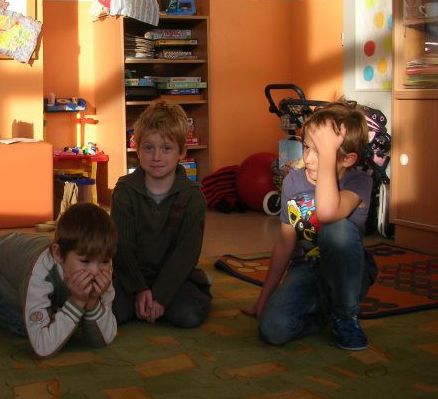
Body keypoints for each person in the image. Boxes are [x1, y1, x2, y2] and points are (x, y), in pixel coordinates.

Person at [243, 100, 377, 351]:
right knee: (272, 330)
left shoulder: (359, 183)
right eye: (307, 147)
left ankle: (345, 316)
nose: (308, 159)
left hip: (348, 276)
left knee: (337, 228)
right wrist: (264, 297)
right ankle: (325, 314)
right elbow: (285, 244)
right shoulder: (293, 182)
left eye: (321, 152)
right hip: (306, 269)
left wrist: (328, 153)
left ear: (348, 159)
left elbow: (327, 212)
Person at [110, 99, 211, 328]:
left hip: (176, 278)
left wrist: (161, 295)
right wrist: (139, 289)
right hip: (131, 278)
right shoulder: (124, 191)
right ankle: (144, 302)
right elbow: (121, 247)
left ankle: (156, 304)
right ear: (137, 149)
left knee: (189, 314)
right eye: (148, 148)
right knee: (109, 311)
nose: (156, 157)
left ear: (182, 152)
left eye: (166, 148)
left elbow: (187, 252)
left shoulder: (193, 196)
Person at [0, 202, 117, 358]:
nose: (95, 272)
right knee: (25, 326)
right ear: (58, 254)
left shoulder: (102, 266)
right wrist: (78, 301)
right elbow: (42, 347)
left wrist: (93, 301)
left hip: (24, 250)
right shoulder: (39, 273)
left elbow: (103, 338)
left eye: (104, 261)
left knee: (68, 321)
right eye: (85, 261)